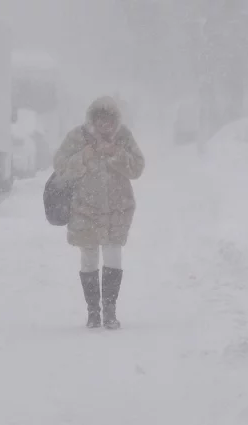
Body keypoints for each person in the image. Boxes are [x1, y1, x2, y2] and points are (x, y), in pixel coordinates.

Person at [53, 96, 145, 329]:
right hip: (85, 208)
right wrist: (85, 155)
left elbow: (137, 168)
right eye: (101, 120)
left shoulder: (123, 137)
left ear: (116, 121)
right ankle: (93, 311)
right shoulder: (77, 137)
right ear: (93, 120)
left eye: (110, 121)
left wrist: (115, 152)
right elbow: (60, 167)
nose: (106, 126)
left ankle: (110, 310)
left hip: (118, 209)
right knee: (89, 256)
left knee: (114, 254)